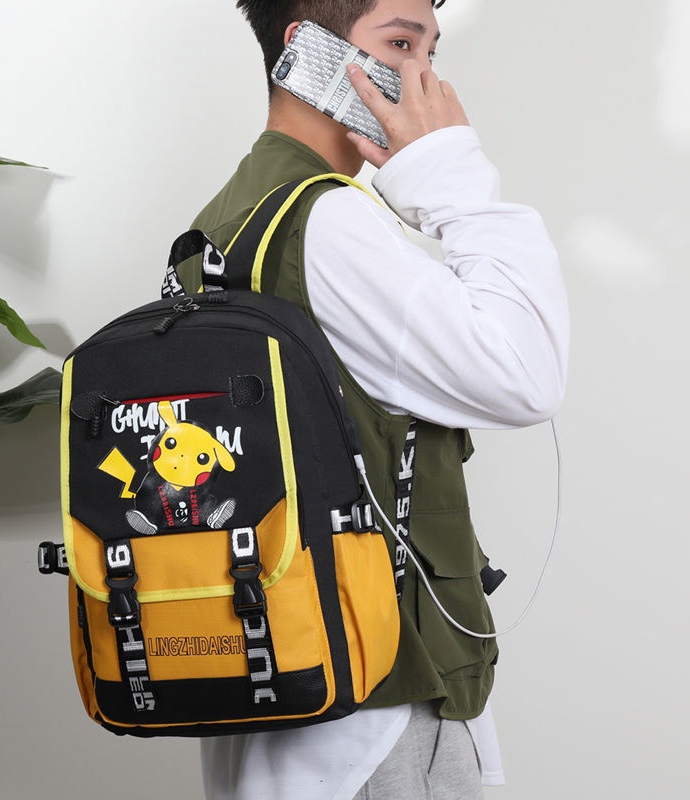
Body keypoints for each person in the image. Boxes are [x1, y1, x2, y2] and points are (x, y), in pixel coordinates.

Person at [180, 1, 570, 798]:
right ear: (304, 50)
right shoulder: (328, 223)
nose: (422, 79)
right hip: (380, 704)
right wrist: (454, 180)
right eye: (398, 43)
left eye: (430, 51)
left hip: (275, 683)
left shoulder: (226, 220)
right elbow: (526, 374)